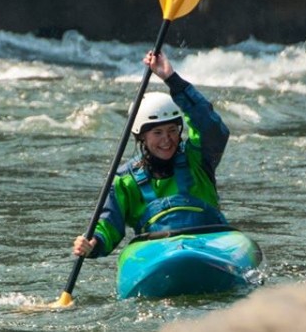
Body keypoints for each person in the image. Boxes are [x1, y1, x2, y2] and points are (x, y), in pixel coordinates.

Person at [73, 49, 229, 258]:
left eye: (173, 130)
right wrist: (93, 243)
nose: (167, 139)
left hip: (210, 245)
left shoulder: (198, 159)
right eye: (157, 132)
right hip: (158, 254)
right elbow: (108, 225)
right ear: (141, 137)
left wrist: (172, 79)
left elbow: (210, 126)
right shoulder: (124, 181)